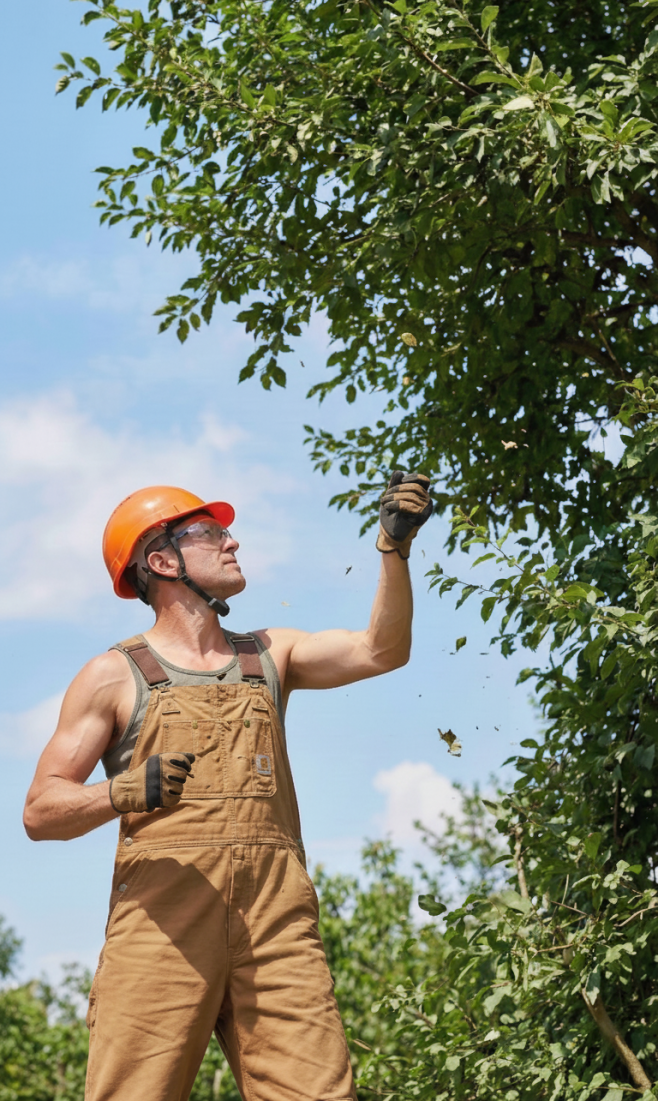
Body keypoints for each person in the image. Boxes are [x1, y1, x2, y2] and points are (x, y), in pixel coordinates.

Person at [23, 472, 432, 1101]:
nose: (232, 541)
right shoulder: (112, 676)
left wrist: (393, 548)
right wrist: (123, 791)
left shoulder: (270, 653)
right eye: (210, 533)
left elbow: (383, 650)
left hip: (276, 924)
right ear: (161, 561)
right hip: (160, 927)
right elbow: (40, 811)